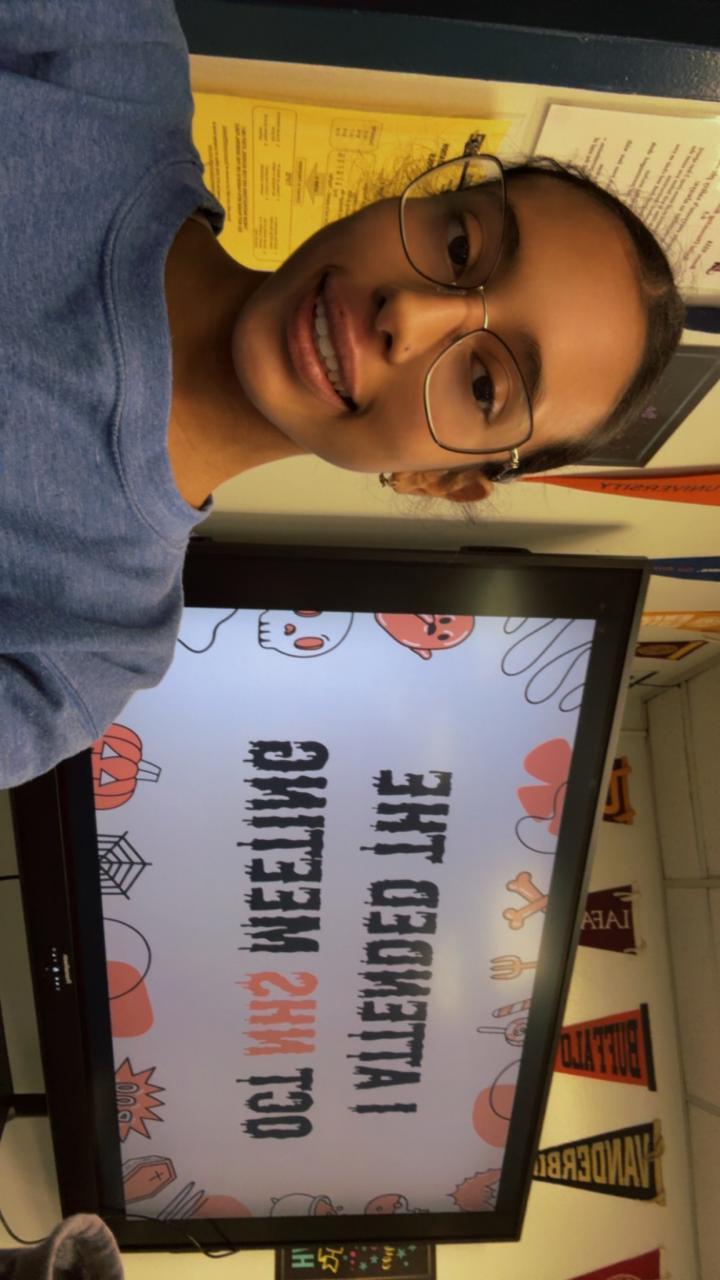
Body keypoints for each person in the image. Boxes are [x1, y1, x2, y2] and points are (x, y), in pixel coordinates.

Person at [0, 1, 684, 790]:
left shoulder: (79, 655)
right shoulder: (109, 49)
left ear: (439, 480)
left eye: (483, 384)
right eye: (459, 244)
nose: (410, 315)